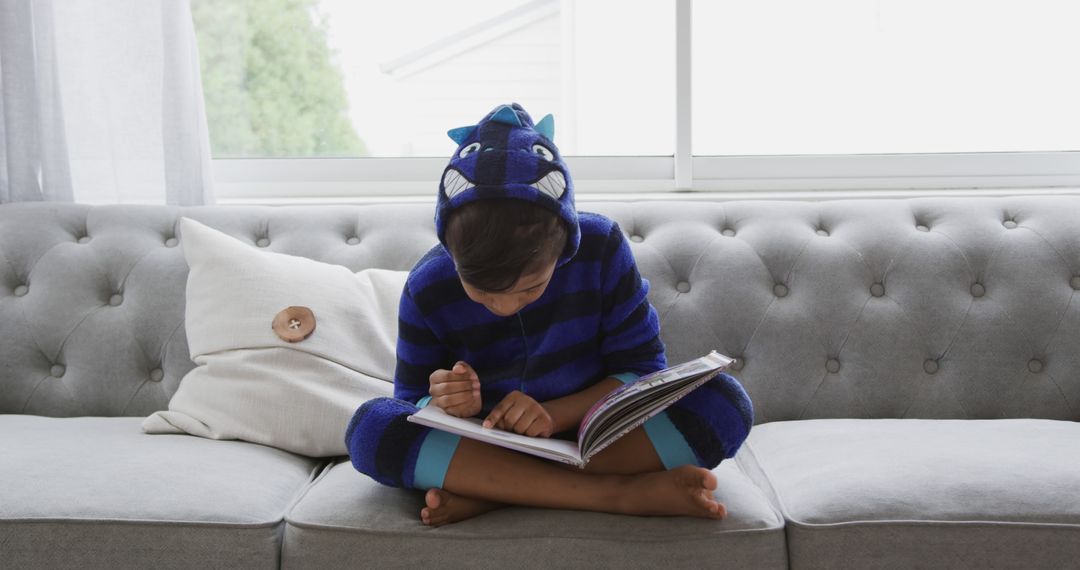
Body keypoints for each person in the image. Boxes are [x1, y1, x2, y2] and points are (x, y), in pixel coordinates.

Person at [345, 103, 753, 527]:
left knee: (724, 402)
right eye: (482, 293)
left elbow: (643, 369)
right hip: (489, 446)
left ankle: (499, 493)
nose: (505, 306)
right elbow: (410, 403)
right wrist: (447, 402)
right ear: (451, 251)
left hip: (597, 436)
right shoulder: (428, 285)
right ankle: (616, 494)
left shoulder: (600, 249)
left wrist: (555, 414)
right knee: (371, 428)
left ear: (565, 248)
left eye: (530, 288)